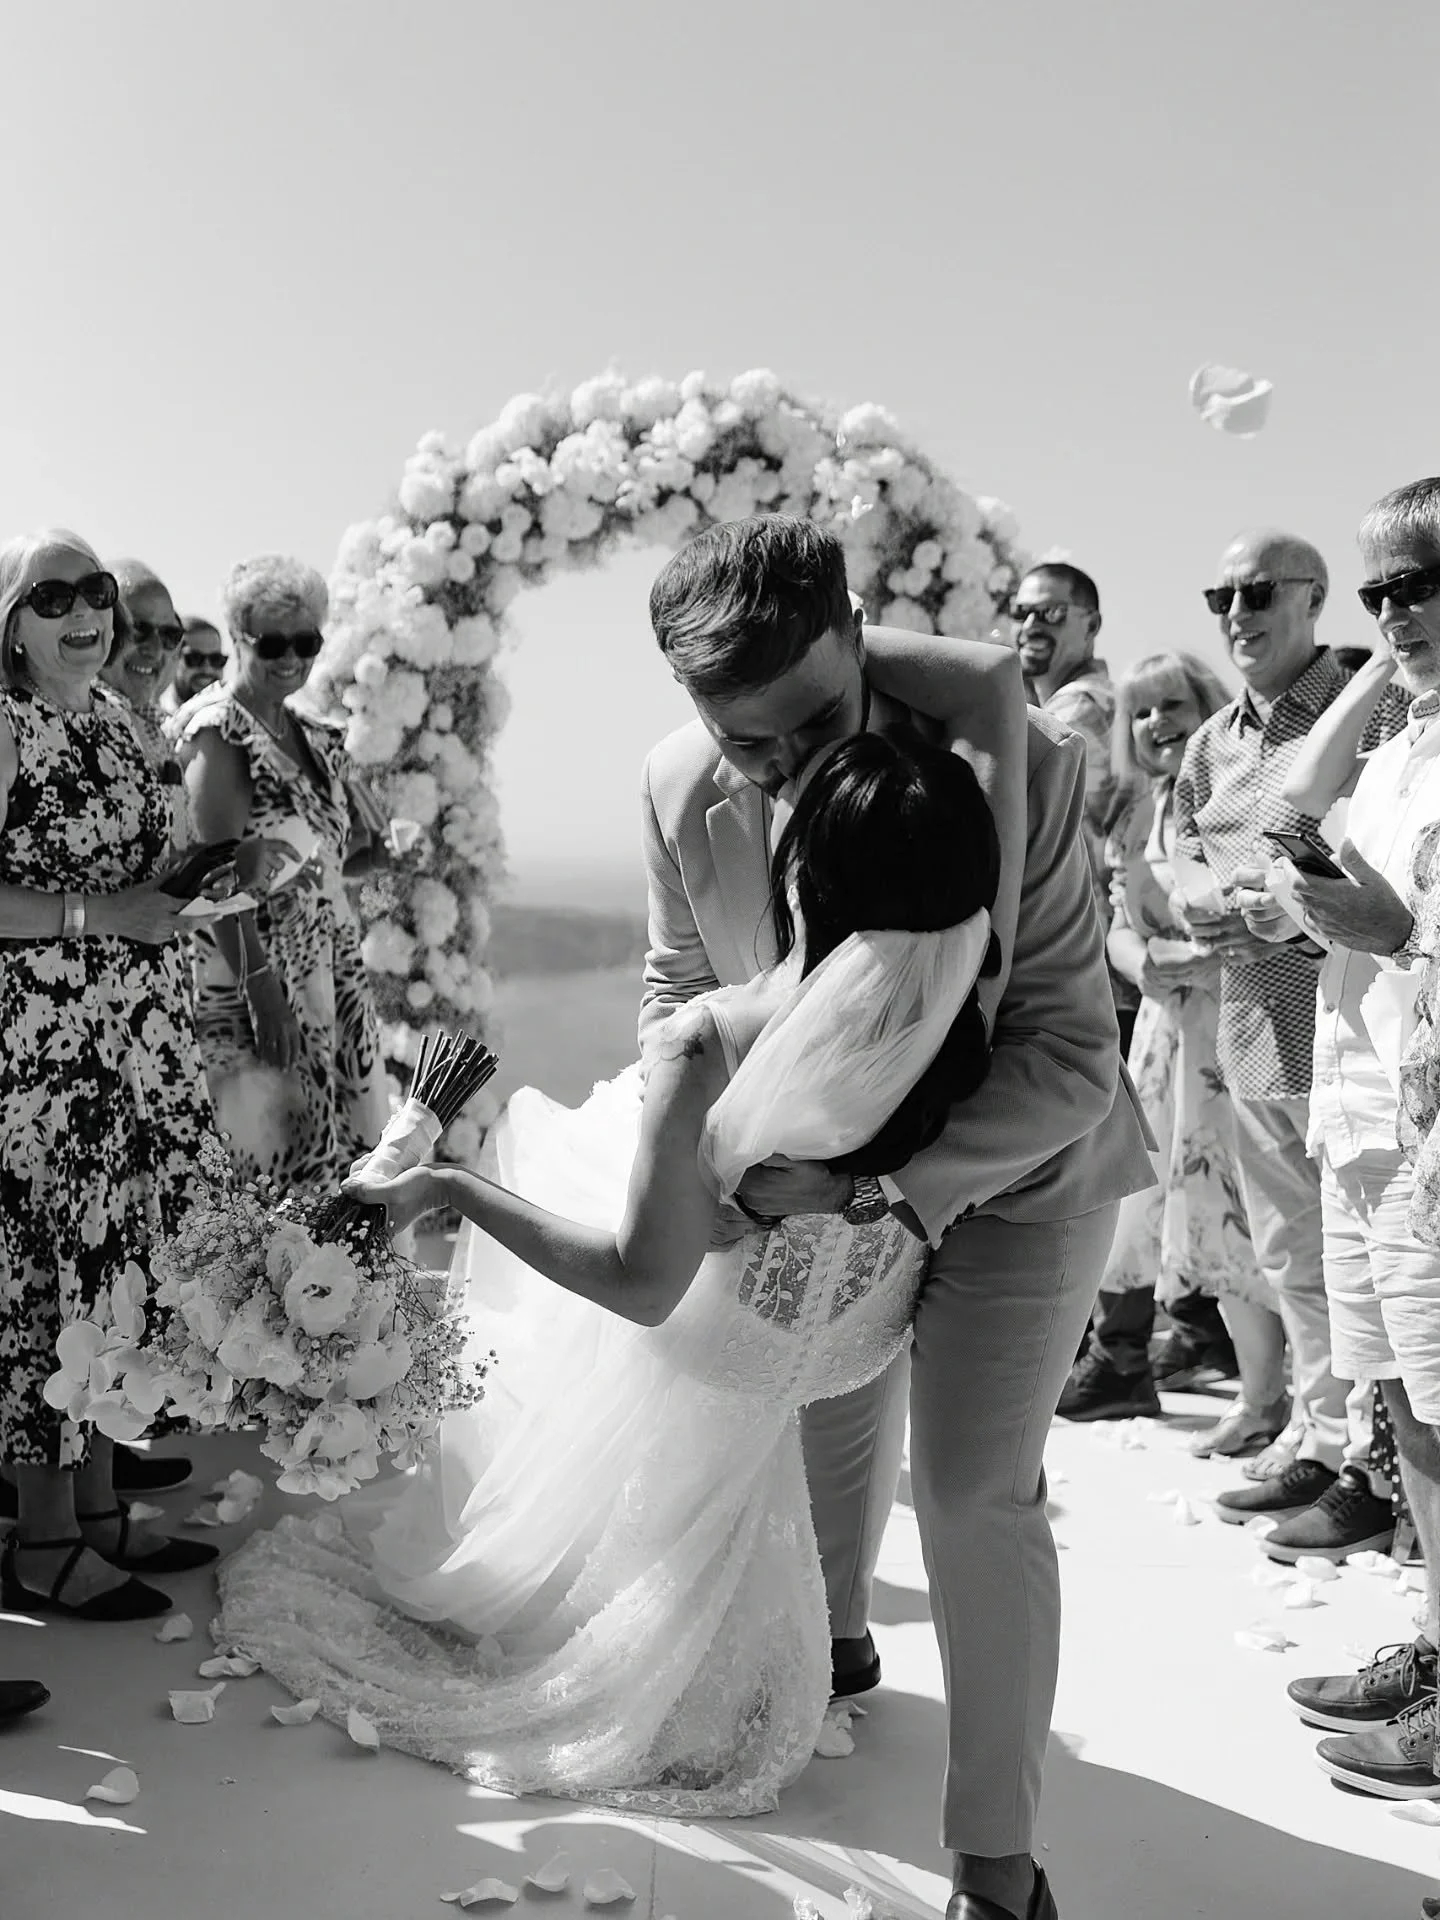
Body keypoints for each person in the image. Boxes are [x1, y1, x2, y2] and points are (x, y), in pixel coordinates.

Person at [214, 730, 1003, 1823]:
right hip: (849, 1324)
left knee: (557, 1170)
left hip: (716, 1331)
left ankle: (643, 1649)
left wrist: (448, 1188)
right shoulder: (964, 1005)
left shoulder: (713, 1041)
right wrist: (847, 1195)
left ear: (807, 877)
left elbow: (640, 1289)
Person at [636, 519, 1154, 1920]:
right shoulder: (678, 790)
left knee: (978, 1493)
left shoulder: (1020, 772)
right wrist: (711, 1142)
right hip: (820, 1187)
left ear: (862, 637)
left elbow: (1070, 1058)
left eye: (808, 721)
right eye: (740, 740)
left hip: (1025, 1172)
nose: (781, 769)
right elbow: (677, 981)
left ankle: (998, 1865)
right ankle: (840, 1648)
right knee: (823, 1417)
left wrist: (879, 1190)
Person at [0, 529, 221, 1621]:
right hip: (46, 1056)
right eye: (53, 597)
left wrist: (196, 889)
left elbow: (139, 880)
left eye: (96, 595)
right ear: (12, 620)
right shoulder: (7, 726)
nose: (84, 614)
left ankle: (95, 1513)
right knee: (50, 1280)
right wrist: (101, 917)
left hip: (139, 1044)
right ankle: (42, 1542)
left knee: (114, 1270)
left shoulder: (127, 726)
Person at [1173, 529, 1402, 1556]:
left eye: (1256, 590)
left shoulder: (1373, 697)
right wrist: (1199, 898)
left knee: (1370, 1247)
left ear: (1313, 599)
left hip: (1352, 1014)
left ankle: (1373, 1463)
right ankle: (1320, 1437)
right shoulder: (1212, 739)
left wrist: (1290, 901)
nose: (1234, 610)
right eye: (1218, 592)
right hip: (1250, 1016)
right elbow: (1179, 845)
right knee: (1293, 1248)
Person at [1279, 478, 1440, 1791]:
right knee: (1402, 1410)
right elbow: (1266, 809)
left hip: (1434, 1141)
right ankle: (1439, 1648)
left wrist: (1396, 935)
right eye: (1378, 589)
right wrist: (1376, 678)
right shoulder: (1393, 748)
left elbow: (1408, 931)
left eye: (1427, 580)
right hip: (1363, 1115)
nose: (1399, 611)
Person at [1060, 653, 1269, 1434]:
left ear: (1210, 705)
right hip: (1161, 1029)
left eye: (1173, 705)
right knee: (1137, 1199)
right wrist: (1143, 960)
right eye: (1141, 712)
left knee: (1234, 1205)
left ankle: (1268, 1393)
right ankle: (1125, 1364)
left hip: (1232, 1027)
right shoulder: (1136, 811)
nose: (1156, 724)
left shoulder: (1233, 794)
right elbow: (1116, 923)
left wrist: (1193, 958)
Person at [173, 554, 390, 1189]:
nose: (291, 656)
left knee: (344, 1165)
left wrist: (370, 856)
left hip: (329, 972)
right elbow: (209, 877)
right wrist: (264, 993)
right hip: (260, 982)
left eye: (306, 641)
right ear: (238, 638)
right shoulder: (221, 733)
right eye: (272, 642)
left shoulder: (314, 733)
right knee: (275, 1167)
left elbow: (314, 864)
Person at [1010, 563, 1139, 1056]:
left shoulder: (1080, 708)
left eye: (1051, 612)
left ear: (1092, 625)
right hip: (1103, 965)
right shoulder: (1088, 702)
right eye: (1022, 611)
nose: (1031, 625)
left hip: (1090, 970)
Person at [163, 614, 226, 713]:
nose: (207, 669)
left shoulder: (238, 721)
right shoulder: (153, 720)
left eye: (216, 659)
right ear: (173, 659)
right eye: (195, 659)